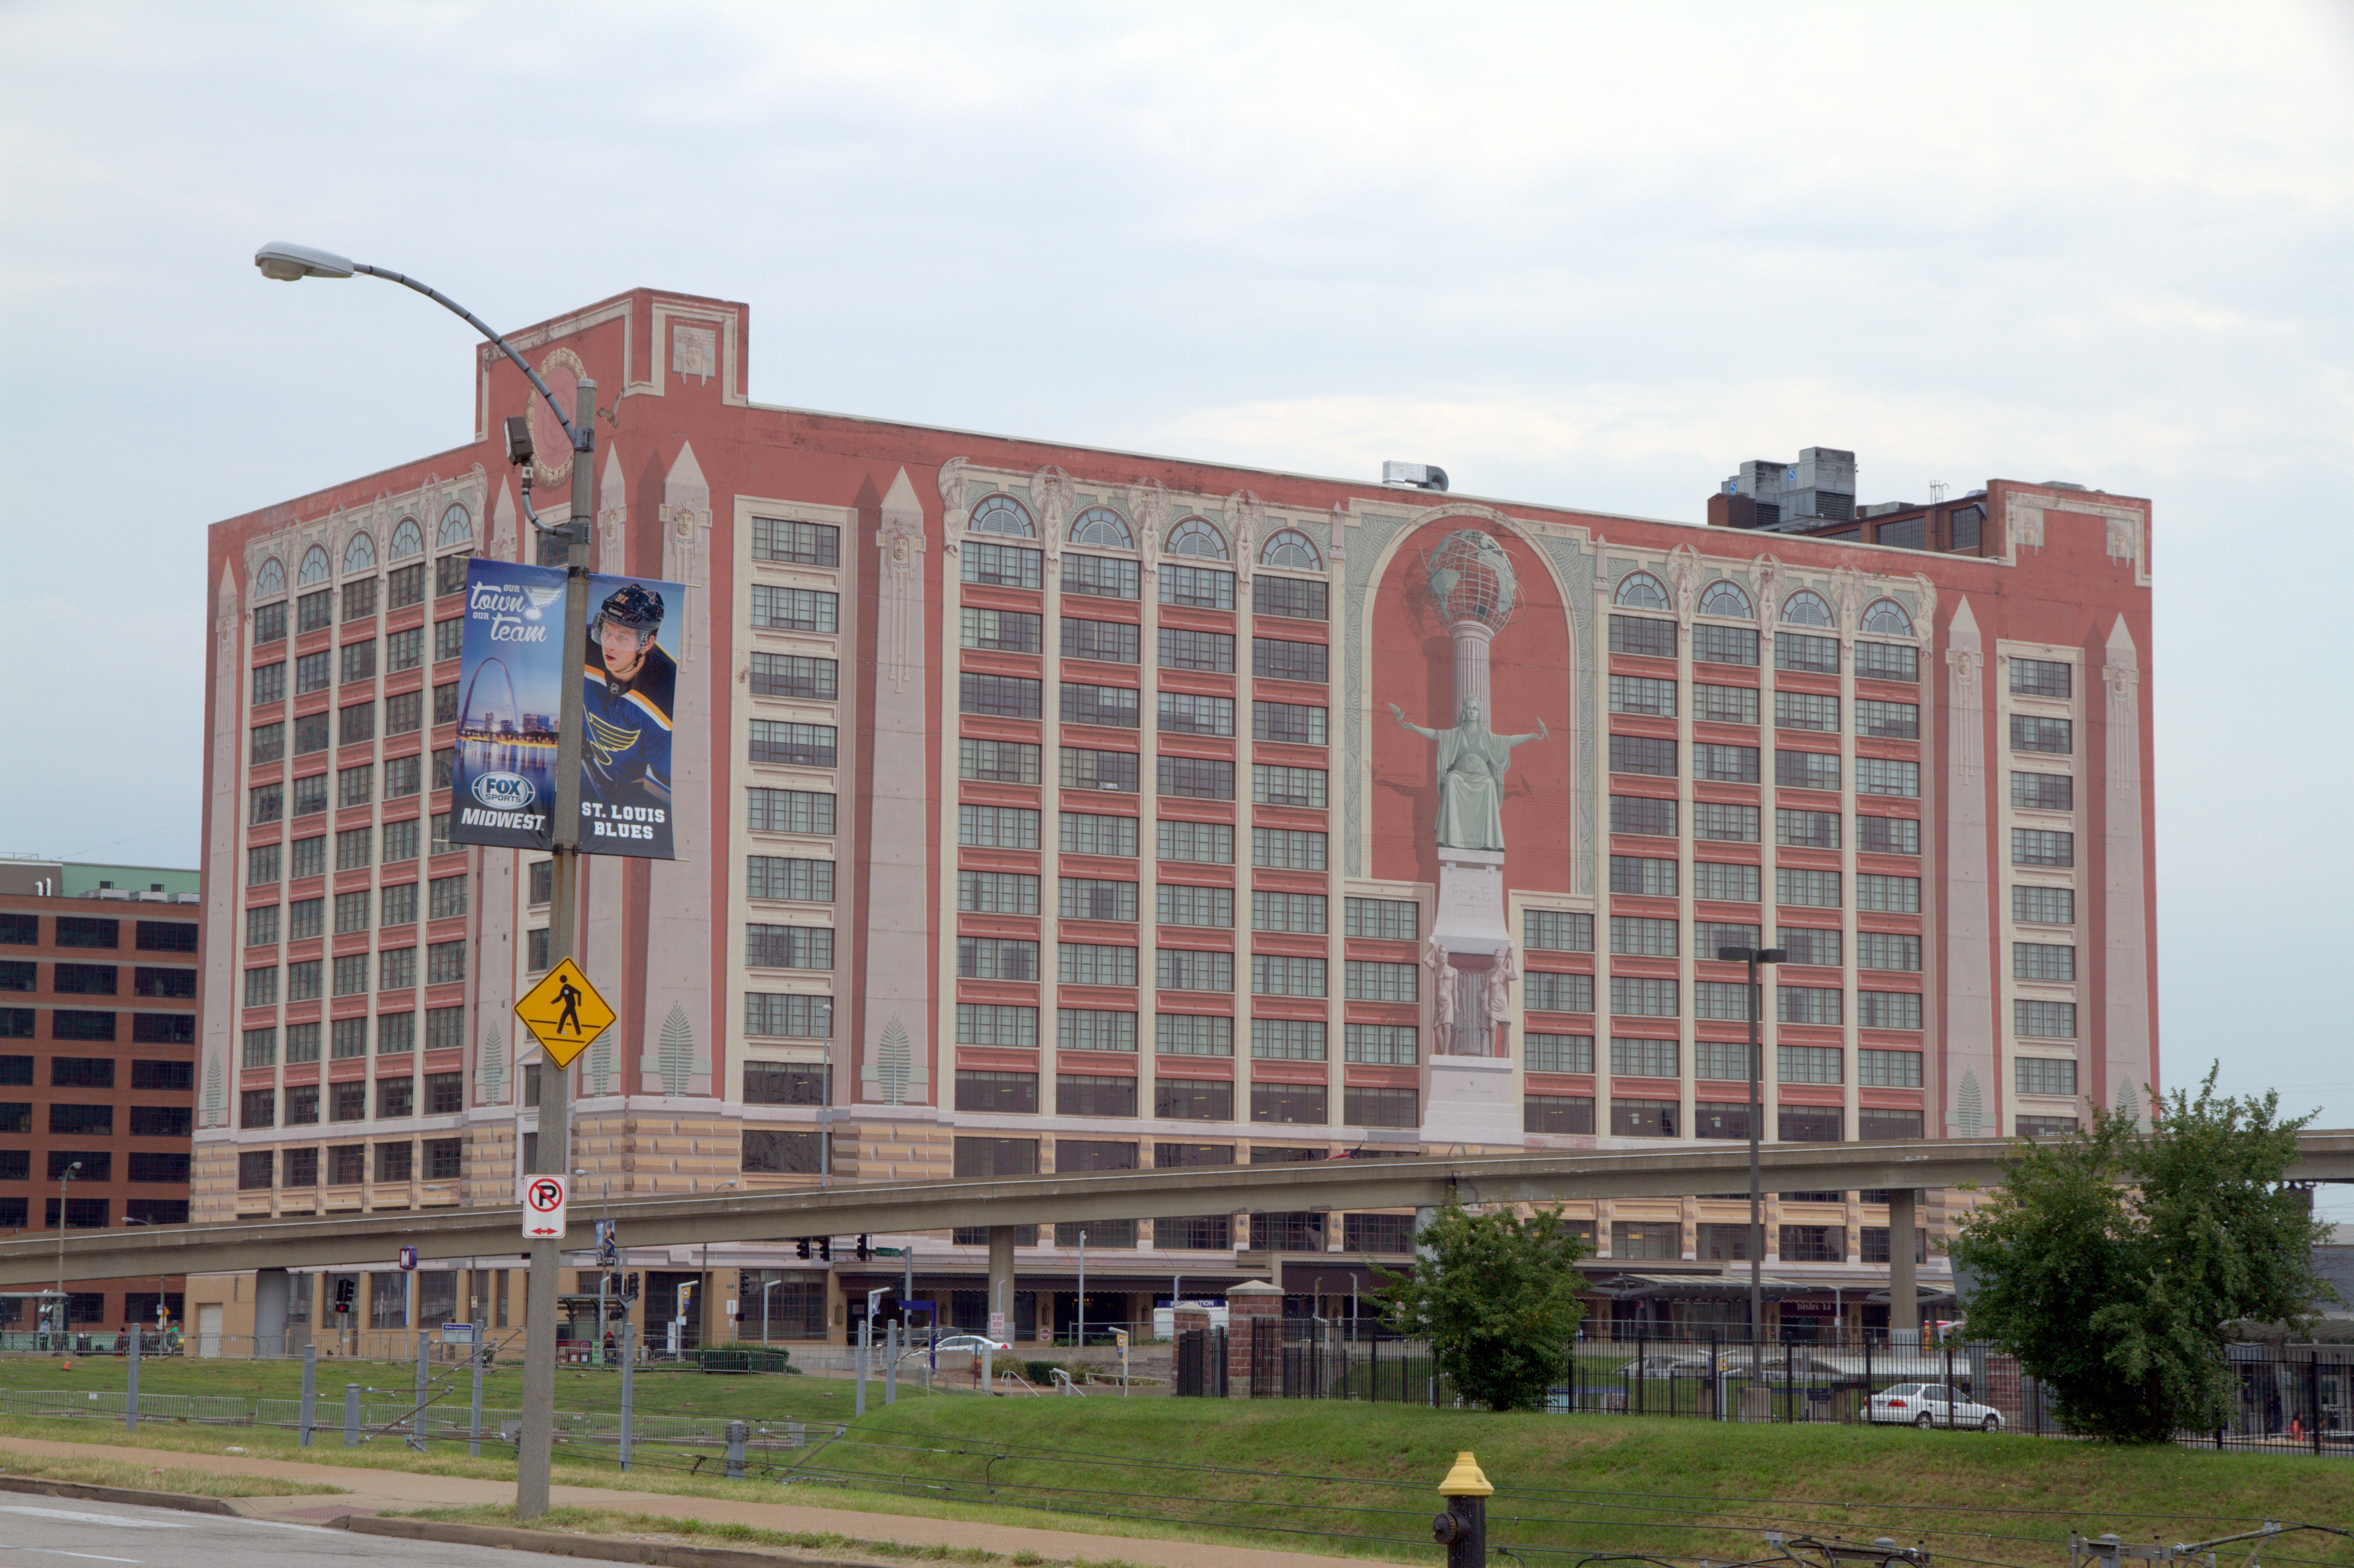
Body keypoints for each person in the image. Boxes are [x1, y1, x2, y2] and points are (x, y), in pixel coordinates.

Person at [580, 583, 676, 842]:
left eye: (622, 637)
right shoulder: (580, 645)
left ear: (647, 643)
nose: (609, 645)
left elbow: (665, 782)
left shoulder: (665, 696)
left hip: (624, 791)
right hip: (584, 764)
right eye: (606, 631)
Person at [1387, 696, 1547, 851]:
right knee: (1451, 779)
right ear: (1465, 711)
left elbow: (1508, 741)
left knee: (1490, 783)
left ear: (1479, 713)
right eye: (1469, 708)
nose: (1472, 711)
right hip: (1461, 773)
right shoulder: (1457, 734)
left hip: (1482, 776)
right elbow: (1436, 734)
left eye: (1475, 709)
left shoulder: (1487, 737)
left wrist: (1530, 736)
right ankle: (1452, 838)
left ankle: (1488, 841)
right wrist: (1414, 727)